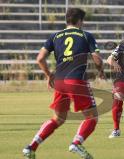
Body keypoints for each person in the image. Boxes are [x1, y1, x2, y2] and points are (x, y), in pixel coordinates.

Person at [23, 8, 104, 159]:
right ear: (80, 21)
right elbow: (98, 59)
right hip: (76, 81)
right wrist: (101, 71)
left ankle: (31, 147)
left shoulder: (55, 36)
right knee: (92, 117)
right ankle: (76, 144)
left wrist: (49, 75)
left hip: (60, 81)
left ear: (66, 20)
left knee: (58, 118)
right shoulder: (86, 35)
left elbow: (40, 58)